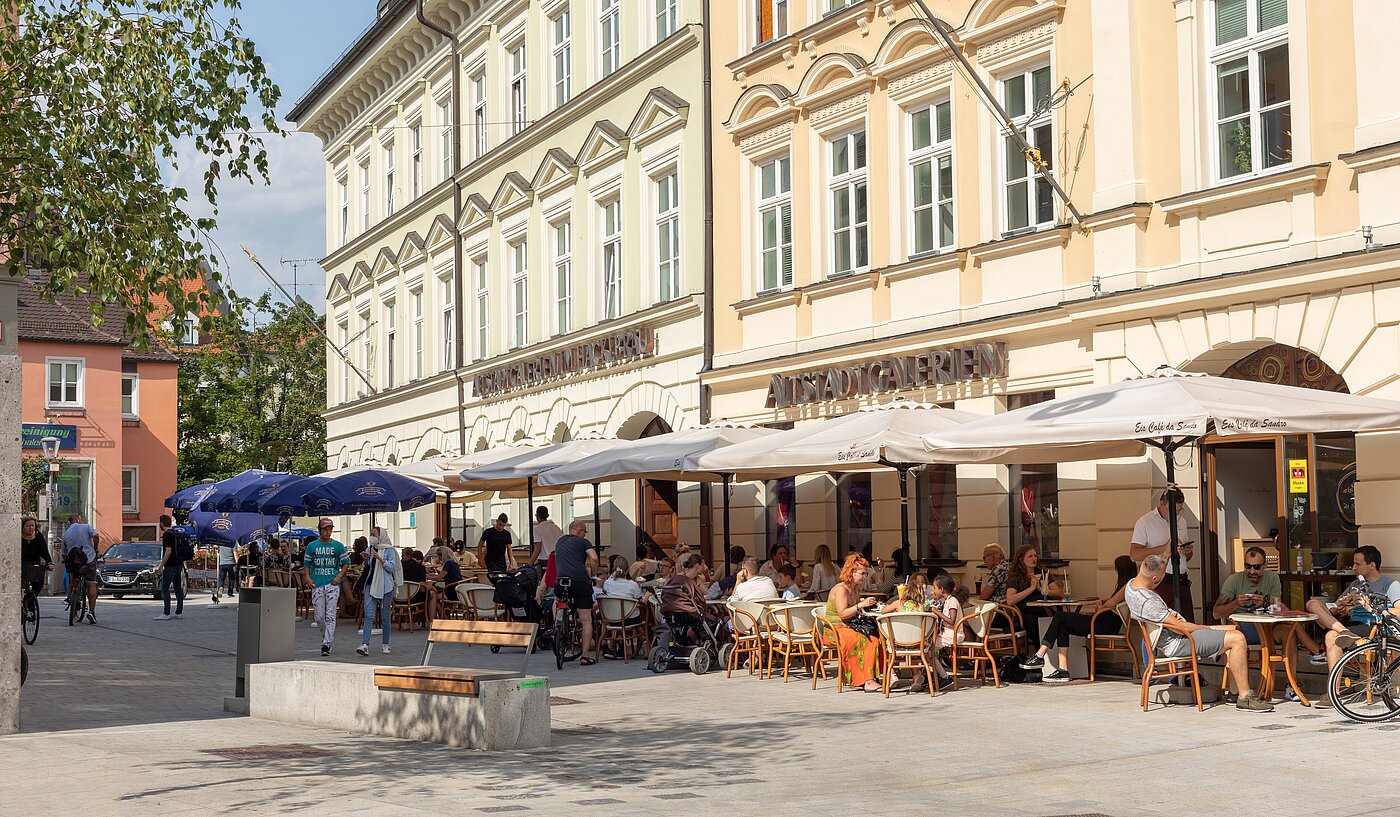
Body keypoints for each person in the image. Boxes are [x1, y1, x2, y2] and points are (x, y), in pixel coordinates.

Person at [1126, 554, 1273, 712]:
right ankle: (1246, 697)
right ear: (1154, 578)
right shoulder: (1149, 601)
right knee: (1237, 639)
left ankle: (1234, 693)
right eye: (1163, 576)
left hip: (1178, 636)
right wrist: (1204, 628)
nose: (1163, 579)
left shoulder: (1132, 587)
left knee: (1234, 631)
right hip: (1179, 641)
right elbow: (1180, 628)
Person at [1021, 555, 1138, 681]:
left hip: (1102, 624)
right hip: (1104, 622)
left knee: (1060, 616)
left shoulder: (1128, 584)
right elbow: (1113, 601)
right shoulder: (1129, 585)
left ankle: (1040, 655)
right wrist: (1102, 602)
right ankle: (1063, 670)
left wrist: (1101, 607)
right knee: (1062, 626)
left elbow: (1111, 604)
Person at [1299, 546, 1400, 687]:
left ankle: (1333, 691)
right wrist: (1341, 608)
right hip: (1351, 625)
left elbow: (1399, 611)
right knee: (1312, 603)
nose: (1353, 568)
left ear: (1372, 565)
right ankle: (1343, 632)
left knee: (1331, 637)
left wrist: (1370, 607)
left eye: (1357, 564)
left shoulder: (1389, 585)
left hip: (1372, 627)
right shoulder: (1356, 584)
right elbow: (1334, 609)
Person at [1130, 488, 1196, 621]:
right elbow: (1134, 555)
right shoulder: (1145, 522)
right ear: (1162, 503)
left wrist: (1188, 552)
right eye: (1172, 510)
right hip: (1161, 582)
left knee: (1187, 625)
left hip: (1182, 581)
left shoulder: (1182, 521)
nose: (1176, 514)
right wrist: (1164, 548)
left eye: (1179, 511)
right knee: (1166, 626)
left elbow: (1187, 558)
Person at [821, 554, 882, 693]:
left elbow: (855, 611)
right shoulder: (841, 589)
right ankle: (864, 680)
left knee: (874, 639)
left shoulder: (855, 588)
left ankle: (872, 677)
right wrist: (861, 605)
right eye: (862, 573)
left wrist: (867, 606)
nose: (864, 577)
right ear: (851, 571)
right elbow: (842, 613)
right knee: (861, 639)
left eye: (866, 574)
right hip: (834, 629)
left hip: (849, 626)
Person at [1211, 546, 1283, 646]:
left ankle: (1311, 651)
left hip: (1267, 626)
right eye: (1248, 566)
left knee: (1289, 630)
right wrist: (1236, 603)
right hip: (1242, 627)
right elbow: (1216, 614)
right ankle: (1312, 650)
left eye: (1256, 567)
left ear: (1265, 565)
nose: (1252, 571)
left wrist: (1264, 604)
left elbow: (1277, 608)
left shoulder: (1272, 578)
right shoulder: (1234, 580)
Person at [554, 520, 599, 665]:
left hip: (561, 582)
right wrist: (593, 573)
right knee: (586, 620)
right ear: (580, 531)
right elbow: (594, 557)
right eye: (584, 532)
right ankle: (585, 657)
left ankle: (558, 625)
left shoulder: (560, 541)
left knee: (558, 599)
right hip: (580, 582)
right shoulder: (583, 542)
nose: (584, 534)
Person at [304, 519, 349, 656]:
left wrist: (339, 576)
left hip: (332, 584)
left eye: (330, 529)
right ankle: (326, 637)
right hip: (317, 584)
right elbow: (307, 564)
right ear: (320, 530)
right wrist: (307, 577)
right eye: (325, 529)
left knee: (330, 615)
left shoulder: (338, 546)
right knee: (318, 616)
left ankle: (326, 643)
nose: (328, 532)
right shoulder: (312, 546)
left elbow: (346, 562)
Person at [356, 535, 399, 656]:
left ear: (381, 536)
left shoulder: (389, 550)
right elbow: (366, 568)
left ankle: (385, 644)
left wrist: (379, 557)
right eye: (371, 534)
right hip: (370, 584)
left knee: (385, 616)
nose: (372, 537)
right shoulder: (369, 548)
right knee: (369, 615)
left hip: (386, 585)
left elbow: (391, 568)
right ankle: (365, 645)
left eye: (374, 534)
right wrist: (365, 560)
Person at [1005, 545, 1060, 635]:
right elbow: (1010, 600)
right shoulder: (1015, 576)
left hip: (1044, 609)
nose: (1034, 559)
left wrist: (1044, 590)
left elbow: (1058, 593)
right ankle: (1040, 647)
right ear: (1021, 559)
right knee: (1033, 623)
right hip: (1027, 612)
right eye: (1030, 556)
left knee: (1059, 620)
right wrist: (1031, 588)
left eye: (1035, 556)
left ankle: (1054, 647)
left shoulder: (1042, 573)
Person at [60, 512, 99, 624]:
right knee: (91, 583)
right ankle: (91, 612)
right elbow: (96, 536)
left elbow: (63, 553)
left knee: (72, 577)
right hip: (89, 559)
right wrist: (95, 549)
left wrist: (65, 560)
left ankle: (71, 598)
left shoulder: (66, 534)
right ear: (78, 519)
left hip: (74, 562)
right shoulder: (86, 526)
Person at [153, 514, 186, 621]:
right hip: (178, 565)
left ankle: (166, 613)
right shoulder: (175, 533)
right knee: (178, 589)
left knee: (165, 589)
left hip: (170, 565)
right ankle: (178, 612)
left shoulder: (167, 535)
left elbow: (168, 551)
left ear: (162, 523)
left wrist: (161, 566)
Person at [426, 546, 463, 623]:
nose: (438, 558)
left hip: (451, 591)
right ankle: (444, 616)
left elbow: (439, 578)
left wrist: (427, 576)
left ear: (442, 555)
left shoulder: (448, 563)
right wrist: (433, 576)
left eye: (439, 556)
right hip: (458, 590)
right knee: (436, 594)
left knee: (433, 597)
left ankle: (442, 617)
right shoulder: (454, 563)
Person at [20, 516, 53, 599]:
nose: (31, 528)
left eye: (33, 526)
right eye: (28, 526)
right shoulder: (18, 537)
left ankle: (32, 599)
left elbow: (45, 551)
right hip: (21, 564)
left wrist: (49, 562)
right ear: (22, 527)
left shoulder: (39, 537)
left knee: (39, 582)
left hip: (34, 563)